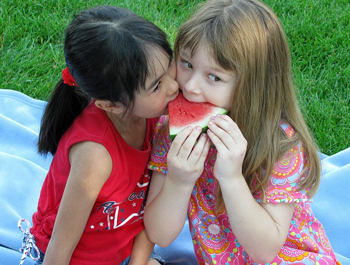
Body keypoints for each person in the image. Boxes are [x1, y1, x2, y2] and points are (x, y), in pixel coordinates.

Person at [144, 0, 341, 264]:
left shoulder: (282, 145)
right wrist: (178, 181)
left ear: (252, 84)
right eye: (186, 63)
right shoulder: (172, 131)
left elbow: (265, 251)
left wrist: (232, 179)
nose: (190, 86)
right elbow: (160, 235)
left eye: (214, 77)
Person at [22, 5, 178, 265]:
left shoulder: (155, 118)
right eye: (157, 86)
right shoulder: (95, 155)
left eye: (170, 65)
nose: (175, 87)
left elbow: (149, 207)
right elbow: (60, 248)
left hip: (125, 250)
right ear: (111, 105)